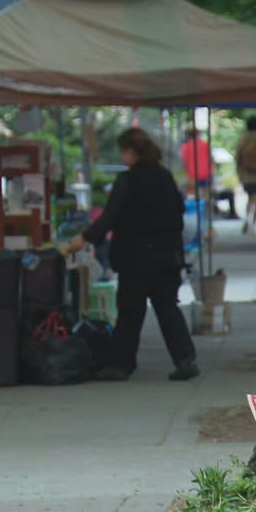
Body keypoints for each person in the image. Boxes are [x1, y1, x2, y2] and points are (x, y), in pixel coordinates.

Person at [69, 128, 199, 382]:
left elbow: (110, 216)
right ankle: (185, 360)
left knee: (130, 312)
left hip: (135, 257)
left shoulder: (127, 181)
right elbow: (179, 210)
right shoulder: (165, 177)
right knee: (168, 308)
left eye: (123, 152)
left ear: (131, 152)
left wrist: (85, 238)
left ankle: (120, 364)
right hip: (166, 255)